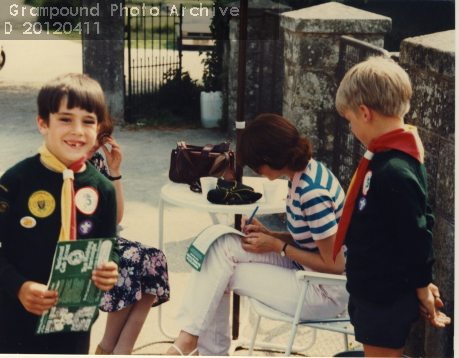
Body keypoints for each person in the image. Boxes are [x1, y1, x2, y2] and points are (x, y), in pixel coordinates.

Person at [166, 114, 349, 356]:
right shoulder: (305, 174)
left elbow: (335, 265)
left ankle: (195, 346)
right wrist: (270, 235)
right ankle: (190, 341)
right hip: (304, 268)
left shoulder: (312, 193)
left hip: (323, 291)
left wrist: (276, 246)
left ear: (269, 158)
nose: (255, 171)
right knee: (218, 247)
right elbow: (312, 240)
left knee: (220, 274)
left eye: (256, 165)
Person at [0, 74, 120, 354]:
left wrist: (109, 269)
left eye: (88, 121)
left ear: (98, 127)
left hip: (73, 324)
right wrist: (19, 286)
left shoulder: (103, 189)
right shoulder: (17, 180)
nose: (77, 130)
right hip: (16, 322)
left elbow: (109, 247)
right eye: (65, 119)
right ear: (43, 123)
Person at [333, 56, 451, 357]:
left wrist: (422, 285)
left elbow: (416, 232)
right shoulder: (392, 155)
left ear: (364, 112)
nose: (351, 128)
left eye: (350, 120)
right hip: (374, 292)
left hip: (383, 298)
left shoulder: (393, 169)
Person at [87, 130, 170, 355]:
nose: (97, 144)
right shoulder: (66, 166)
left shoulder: (96, 161)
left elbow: (116, 218)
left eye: (101, 137)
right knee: (131, 259)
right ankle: (108, 348)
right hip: (77, 244)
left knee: (155, 260)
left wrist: (115, 171)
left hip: (104, 238)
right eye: (93, 135)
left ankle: (121, 350)